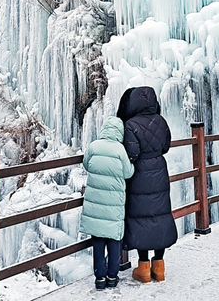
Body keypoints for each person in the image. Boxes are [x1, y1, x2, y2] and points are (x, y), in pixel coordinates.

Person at [117, 86, 178, 283]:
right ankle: (159, 268)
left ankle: (143, 268)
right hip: (159, 171)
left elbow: (132, 154)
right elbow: (166, 146)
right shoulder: (161, 121)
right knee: (160, 216)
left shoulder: (130, 125)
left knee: (141, 218)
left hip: (139, 175)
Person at [80, 116, 135, 290]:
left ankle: (100, 279)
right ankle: (112, 276)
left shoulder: (94, 146)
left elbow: (86, 165)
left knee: (97, 241)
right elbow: (128, 173)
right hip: (114, 204)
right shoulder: (120, 150)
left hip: (95, 203)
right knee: (114, 240)